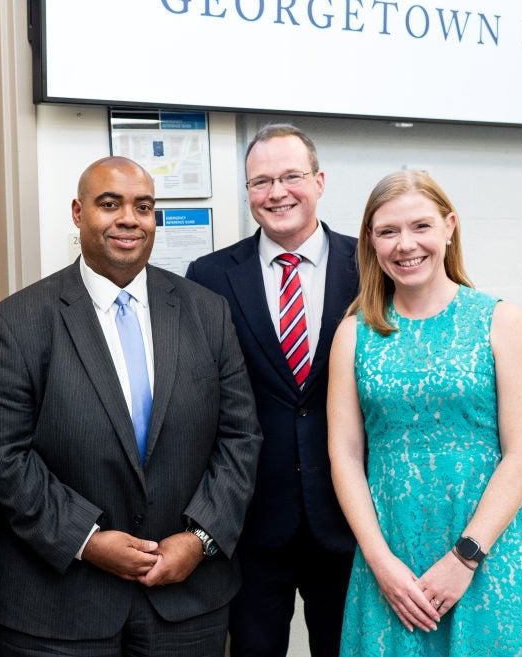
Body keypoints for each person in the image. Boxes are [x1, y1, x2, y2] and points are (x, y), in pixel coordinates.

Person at [0, 155, 262, 657]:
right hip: (60, 608)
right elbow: (7, 456)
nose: (129, 218)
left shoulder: (206, 312)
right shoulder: (19, 320)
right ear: (77, 213)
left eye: (144, 206)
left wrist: (200, 539)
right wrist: (86, 540)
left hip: (187, 602)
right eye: (109, 204)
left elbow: (240, 437)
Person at [327, 170, 522, 655]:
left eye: (420, 226)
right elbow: (345, 455)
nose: (405, 245)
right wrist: (379, 560)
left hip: (488, 556)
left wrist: (466, 557)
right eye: (388, 231)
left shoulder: (500, 320)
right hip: (392, 566)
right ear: (371, 241)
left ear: (449, 226)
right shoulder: (354, 333)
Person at [186, 123, 359, 656]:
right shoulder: (211, 275)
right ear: (247, 192)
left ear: (320, 180)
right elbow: (200, 397)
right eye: (261, 181)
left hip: (350, 517)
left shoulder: (370, 266)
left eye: (291, 176)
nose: (277, 192)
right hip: (253, 519)